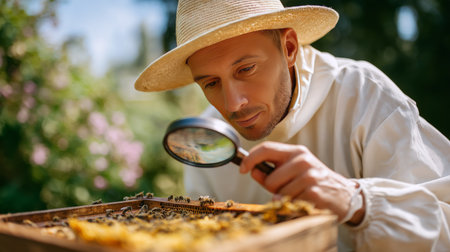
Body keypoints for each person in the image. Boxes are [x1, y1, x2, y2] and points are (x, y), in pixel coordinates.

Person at [134, 0, 450, 251]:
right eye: (211, 83)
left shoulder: (365, 96)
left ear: (289, 49)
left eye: (246, 69)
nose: (233, 104)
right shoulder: (205, 138)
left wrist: (355, 202)